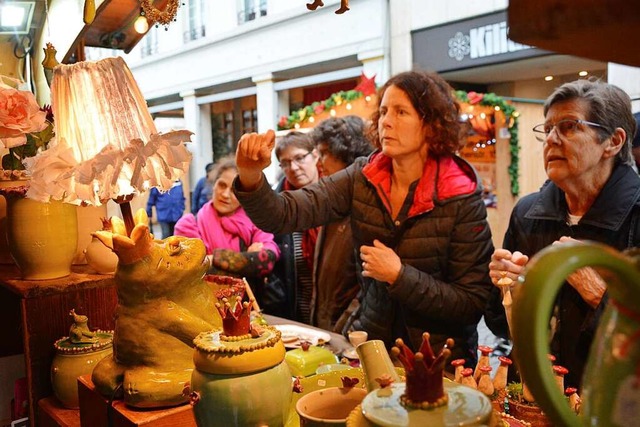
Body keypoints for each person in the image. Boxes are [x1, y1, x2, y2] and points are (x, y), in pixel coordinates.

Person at [233, 70, 494, 366]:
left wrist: (400, 275)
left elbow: (471, 303)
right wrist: (250, 175)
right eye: (383, 111)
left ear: (431, 124)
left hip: (441, 362)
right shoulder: (363, 176)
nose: (386, 121)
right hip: (375, 350)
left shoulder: (460, 194)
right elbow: (284, 214)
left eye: (401, 112)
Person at [485, 78, 640, 389]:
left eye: (569, 127)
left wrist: (601, 295)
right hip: (531, 396)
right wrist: (507, 290)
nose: (551, 139)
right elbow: (499, 324)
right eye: (548, 129)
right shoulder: (528, 213)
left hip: (609, 405)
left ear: (613, 141)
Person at [174, 155, 280, 288]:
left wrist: (213, 259)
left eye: (234, 191)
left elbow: (267, 261)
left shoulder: (256, 223)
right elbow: (191, 272)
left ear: (244, 195)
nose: (225, 194)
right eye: (222, 185)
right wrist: (248, 259)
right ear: (213, 185)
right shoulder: (188, 225)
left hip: (248, 306)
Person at [309, 115, 374, 331]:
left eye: (325, 153)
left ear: (347, 155)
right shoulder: (334, 205)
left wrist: (344, 329)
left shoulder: (366, 209)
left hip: (349, 336)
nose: (319, 163)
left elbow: (368, 288)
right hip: (327, 331)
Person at [263, 131, 322, 323]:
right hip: (293, 306)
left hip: (332, 304)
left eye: (299, 158)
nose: (294, 167)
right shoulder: (278, 206)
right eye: (286, 162)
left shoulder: (335, 198)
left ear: (315, 155)